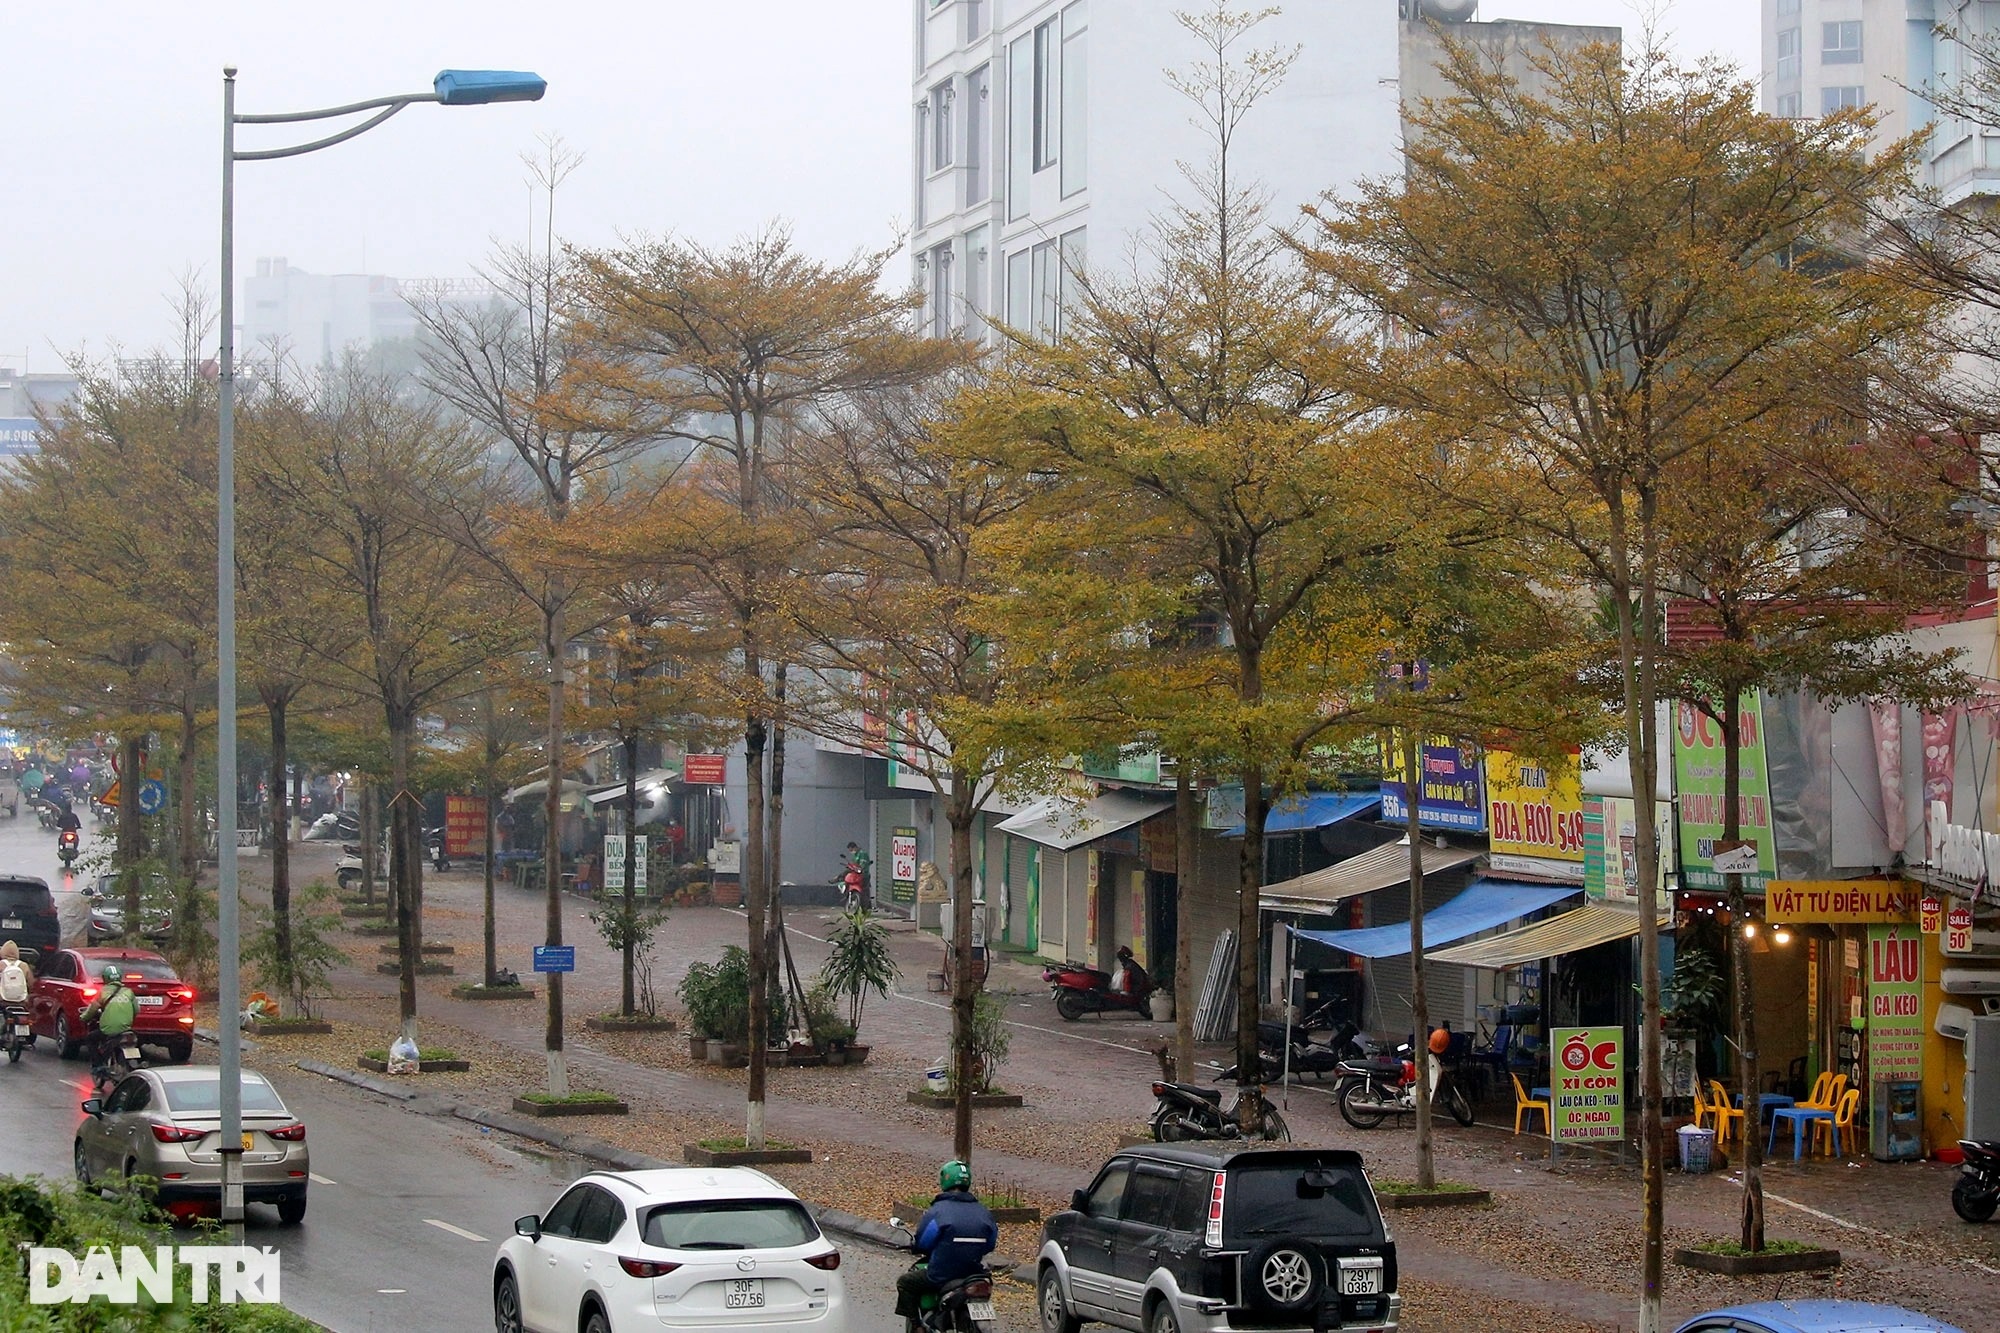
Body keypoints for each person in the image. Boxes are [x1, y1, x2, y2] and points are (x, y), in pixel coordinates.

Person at [895, 1160, 999, 1325]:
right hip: (974, 1274)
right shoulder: (983, 1212)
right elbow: (991, 1243)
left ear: (945, 1180)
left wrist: (916, 1246)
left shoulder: (938, 1210)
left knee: (905, 1282)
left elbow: (923, 1242)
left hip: (941, 1275)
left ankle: (917, 1326)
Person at [80, 964, 137, 1081]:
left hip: (108, 1030)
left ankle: (98, 1066)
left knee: (90, 1039)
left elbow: (91, 1011)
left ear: (105, 978)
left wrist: (83, 1018)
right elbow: (137, 1010)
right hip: (127, 1029)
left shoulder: (102, 992)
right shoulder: (129, 992)